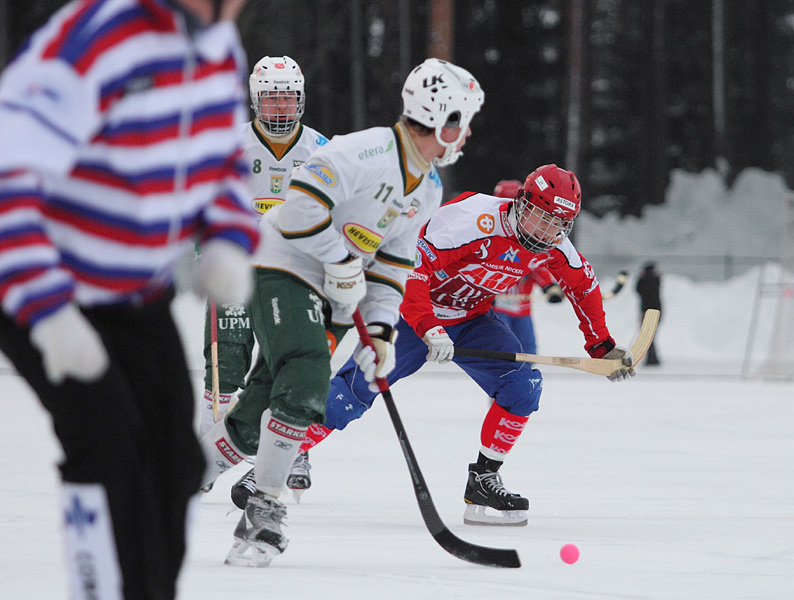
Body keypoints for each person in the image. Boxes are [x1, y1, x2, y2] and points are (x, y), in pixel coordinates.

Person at [0, 0, 258, 598]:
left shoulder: (218, 47)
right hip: (40, 285)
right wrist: (49, 311)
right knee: (108, 449)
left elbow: (220, 162)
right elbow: (7, 173)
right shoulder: (96, 36)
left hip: (133, 292)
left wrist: (226, 239)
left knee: (176, 463)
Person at [198, 57, 485, 566]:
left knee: (261, 405)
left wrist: (380, 331)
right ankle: (264, 508)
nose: (464, 135)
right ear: (439, 117)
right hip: (278, 265)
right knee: (308, 376)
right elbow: (300, 208)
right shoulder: (365, 151)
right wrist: (342, 261)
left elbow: (393, 267)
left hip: (331, 292)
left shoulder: (429, 189)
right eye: (462, 121)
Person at [299, 164, 635, 528]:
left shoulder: (552, 244)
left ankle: (483, 481)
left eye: (559, 224)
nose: (548, 231)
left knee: (523, 387)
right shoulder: (471, 220)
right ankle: (283, 455)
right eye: (541, 218)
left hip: (471, 320)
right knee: (352, 392)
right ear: (522, 204)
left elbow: (582, 285)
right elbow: (414, 268)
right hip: (410, 312)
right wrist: (428, 327)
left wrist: (600, 345)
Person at [200, 55, 329, 498]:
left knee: (288, 361)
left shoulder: (321, 150)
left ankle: (294, 447)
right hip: (238, 268)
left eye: (287, 99)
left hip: (294, 274)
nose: (279, 109)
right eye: (270, 99)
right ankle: (206, 454)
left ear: (300, 101)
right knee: (225, 362)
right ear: (255, 102)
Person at [490, 179, 565, 355]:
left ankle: (526, 376)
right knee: (502, 346)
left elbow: (537, 266)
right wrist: (484, 296)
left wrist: (549, 287)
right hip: (497, 306)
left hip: (522, 308)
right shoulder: (491, 234)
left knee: (528, 349)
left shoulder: (531, 236)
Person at [636, 261, 662, 365]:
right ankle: (652, 357)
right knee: (650, 336)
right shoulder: (656, 280)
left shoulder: (646, 281)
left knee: (648, 336)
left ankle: (651, 358)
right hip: (655, 311)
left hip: (648, 312)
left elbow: (638, 290)